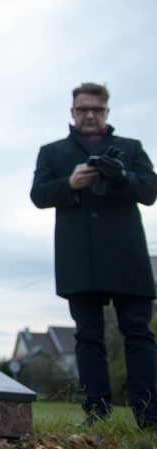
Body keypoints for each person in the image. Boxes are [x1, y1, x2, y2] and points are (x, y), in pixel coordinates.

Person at [30, 82, 157, 428]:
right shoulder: (52, 152)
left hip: (127, 254)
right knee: (87, 335)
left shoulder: (130, 148)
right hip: (78, 258)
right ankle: (96, 413)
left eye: (96, 109)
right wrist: (69, 185)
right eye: (83, 109)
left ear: (106, 112)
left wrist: (122, 177)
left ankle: (150, 415)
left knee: (138, 332)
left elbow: (149, 191)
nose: (89, 115)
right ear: (72, 112)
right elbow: (38, 195)